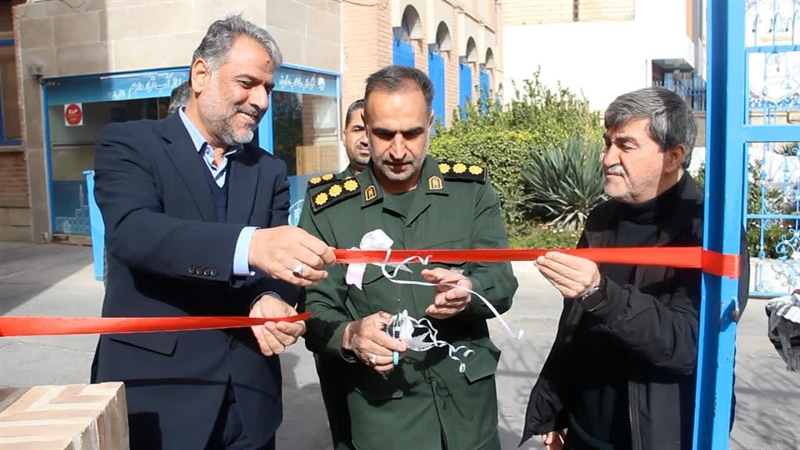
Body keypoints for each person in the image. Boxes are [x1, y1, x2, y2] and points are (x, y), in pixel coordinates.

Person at [90, 14, 335, 450]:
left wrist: (271, 296)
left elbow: (276, 267)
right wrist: (250, 245)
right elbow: (135, 232)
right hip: (159, 397)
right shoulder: (130, 144)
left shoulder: (268, 170)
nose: (261, 100)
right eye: (247, 83)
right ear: (201, 74)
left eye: (268, 88)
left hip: (249, 403)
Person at [298, 65, 519, 450]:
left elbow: (501, 282)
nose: (398, 151)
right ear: (366, 128)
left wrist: (470, 290)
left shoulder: (469, 192)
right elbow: (315, 308)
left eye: (412, 134)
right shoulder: (330, 209)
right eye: (384, 134)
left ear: (430, 123)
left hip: (469, 411)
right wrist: (352, 335)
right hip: (387, 417)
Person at [519, 86, 750, 450]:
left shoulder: (709, 232)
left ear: (673, 156)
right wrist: (556, 406)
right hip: (585, 432)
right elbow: (574, 325)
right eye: (607, 142)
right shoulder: (601, 218)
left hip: (659, 437)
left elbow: (689, 344)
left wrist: (600, 294)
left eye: (625, 145)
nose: (608, 157)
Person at [309, 97, 371, 450]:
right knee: (347, 436)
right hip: (339, 341)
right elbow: (315, 283)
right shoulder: (323, 197)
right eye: (357, 129)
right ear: (344, 135)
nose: (365, 138)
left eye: (372, 129)